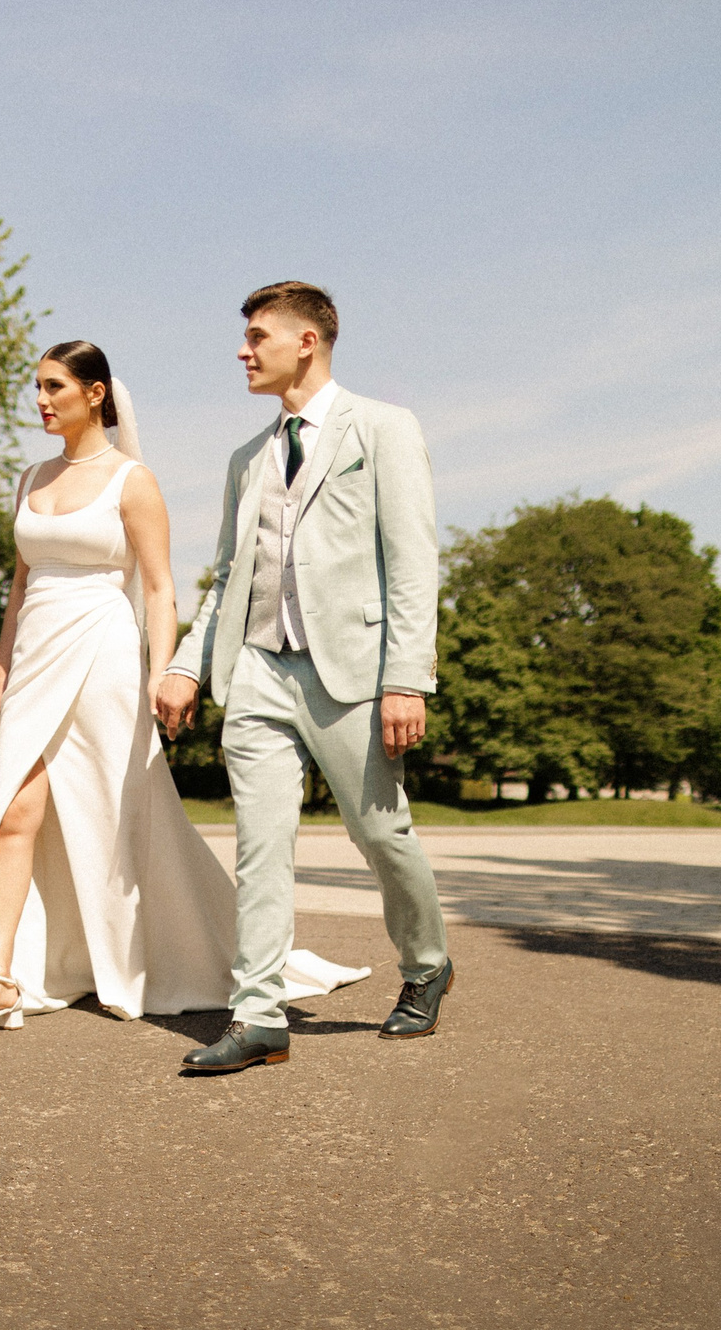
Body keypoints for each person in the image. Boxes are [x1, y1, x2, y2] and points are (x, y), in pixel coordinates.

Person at [0, 340, 368, 1039]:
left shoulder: (132, 481)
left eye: (53, 386)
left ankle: (132, 956)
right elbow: (19, 587)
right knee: (14, 813)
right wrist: (2, 670)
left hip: (103, 655)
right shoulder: (30, 478)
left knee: (118, 815)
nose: (40, 401)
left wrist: (165, 672)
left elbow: (160, 589)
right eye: (37, 387)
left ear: (95, 393)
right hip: (36, 657)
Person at [152, 281, 454, 1074]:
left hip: (352, 671)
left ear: (306, 341)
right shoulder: (246, 459)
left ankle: (427, 963)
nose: (243, 351)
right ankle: (258, 1015)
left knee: (379, 832)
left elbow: (412, 561)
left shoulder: (383, 428)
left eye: (258, 336)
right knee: (260, 845)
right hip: (256, 669)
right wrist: (186, 663)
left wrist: (407, 678)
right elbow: (228, 577)